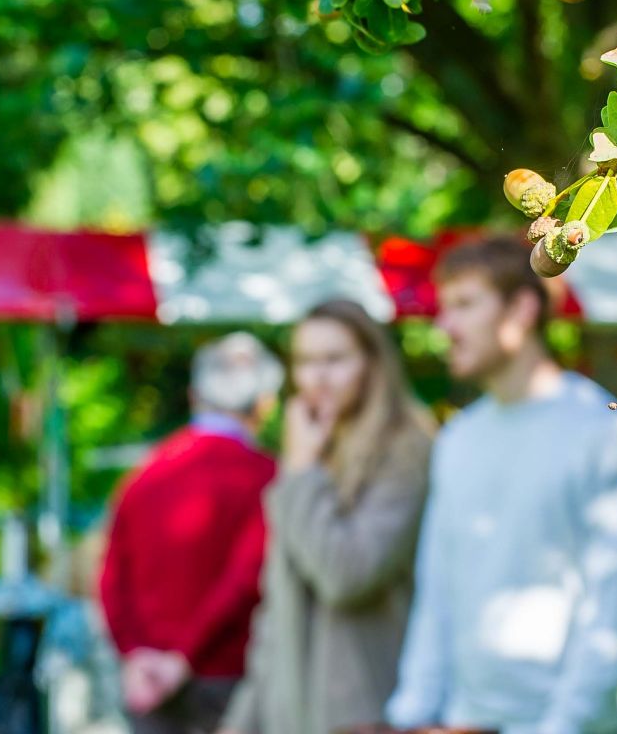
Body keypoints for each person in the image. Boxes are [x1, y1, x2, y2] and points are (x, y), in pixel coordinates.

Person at [385, 237, 617, 734]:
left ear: (523, 309)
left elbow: (612, 605)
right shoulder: (459, 439)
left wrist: (558, 726)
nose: (445, 327)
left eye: (464, 305)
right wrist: (412, 713)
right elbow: (437, 587)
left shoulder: (601, 431)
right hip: (463, 718)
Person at [220, 299, 436, 734]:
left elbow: (346, 575)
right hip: (291, 710)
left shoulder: (406, 447)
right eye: (305, 361)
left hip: (366, 712)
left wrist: (300, 473)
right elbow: (276, 608)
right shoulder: (315, 446)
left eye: (334, 360)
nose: (317, 378)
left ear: (372, 362)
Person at [98, 332, 284, 734]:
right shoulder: (268, 479)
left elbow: (111, 578)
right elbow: (245, 580)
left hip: (148, 680)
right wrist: (183, 658)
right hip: (227, 679)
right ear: (265, 405)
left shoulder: (143, 475)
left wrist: (134, 654)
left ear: (193, 395)